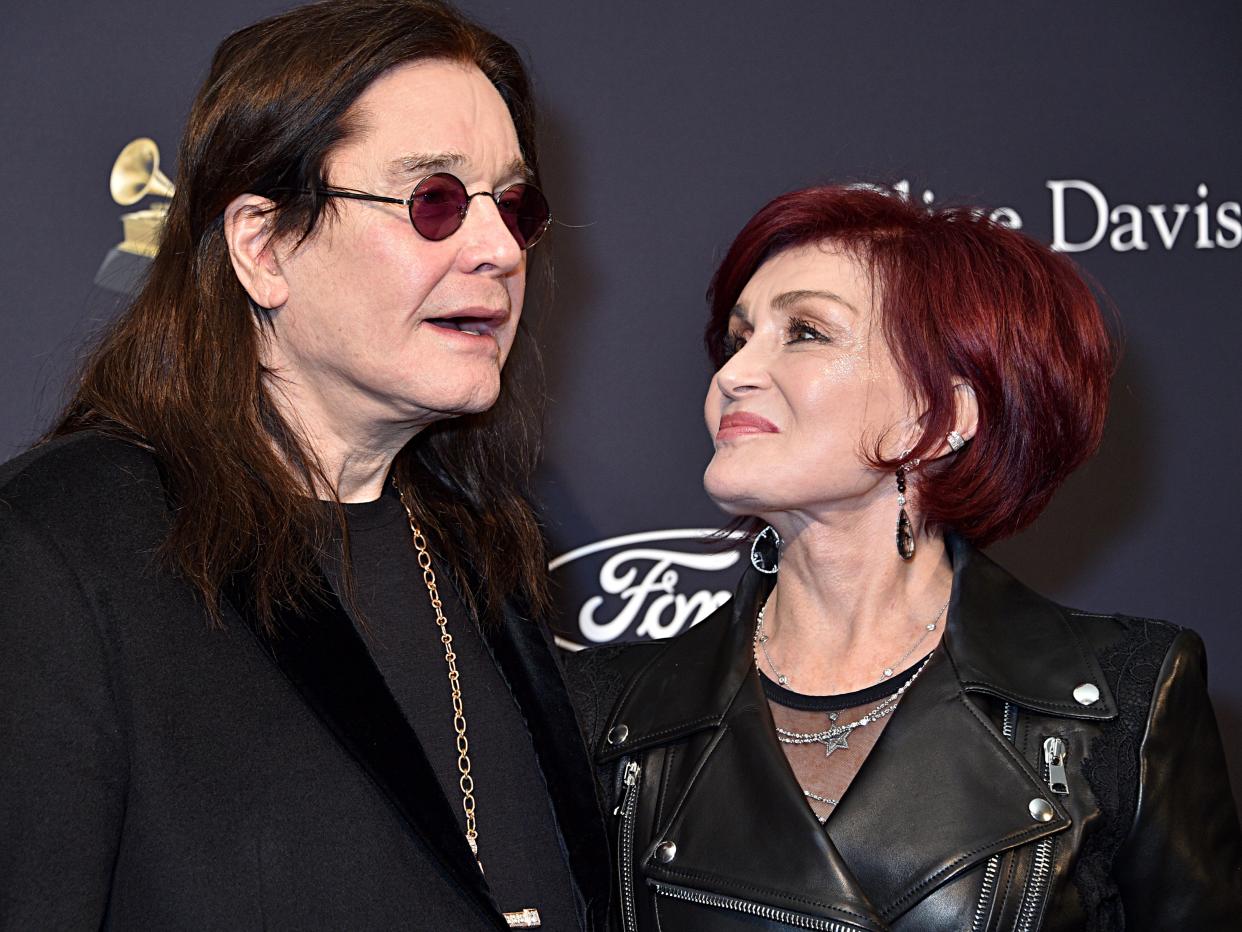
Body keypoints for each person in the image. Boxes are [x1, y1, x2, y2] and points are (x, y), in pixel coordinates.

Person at [0, 2, 608, 928]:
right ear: (264, 245)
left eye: (513, 206)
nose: (497, 251)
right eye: (434, 200)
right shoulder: (61, 547)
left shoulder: (485, 555)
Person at [566, 185, 1242, 930]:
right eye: (737, 339)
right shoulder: (613, 710)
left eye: (806, 333)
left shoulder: (1123, 702)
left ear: (941, 417)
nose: (732, 375)